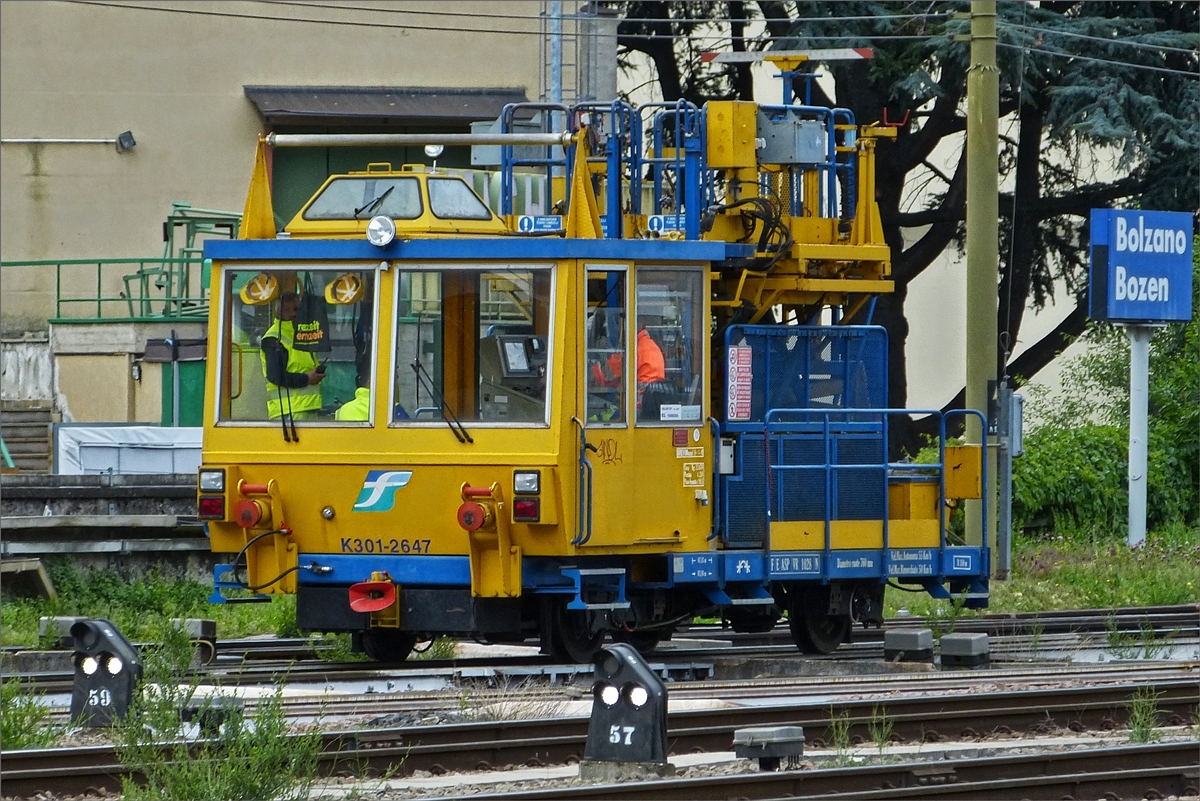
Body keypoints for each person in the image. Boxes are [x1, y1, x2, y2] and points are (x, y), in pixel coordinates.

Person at [260, 291, 324, 420]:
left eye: (296, 309)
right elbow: (275, 376)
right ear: (279, 312)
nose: (293, 313)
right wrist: (307, 379)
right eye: (287, 310)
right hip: (288, 411)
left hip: (307, 408)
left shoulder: (301, 334)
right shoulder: (273, 338)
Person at [591, 325, 666, 396]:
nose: (620, 329)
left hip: (637, 403)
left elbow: (605, 376)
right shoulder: (650, 345)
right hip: (648, 400)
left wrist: (590, 372)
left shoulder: (634, 348)